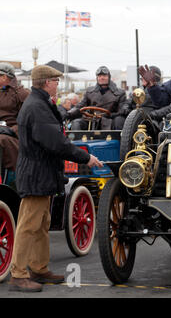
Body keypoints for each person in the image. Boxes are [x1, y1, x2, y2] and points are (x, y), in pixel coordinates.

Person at [9, 65, 103, 292]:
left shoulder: (39, 103)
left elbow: (56, 127)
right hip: (36, 174)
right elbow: (56, 142)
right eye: (56, 81)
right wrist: (85, 157)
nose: (58, 84)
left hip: (41, 173)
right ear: (46, 82)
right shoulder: (37, 106)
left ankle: (39, 269)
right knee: (28, 226)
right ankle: (18, 274)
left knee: (41, 224)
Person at [66, 66, 128, 130]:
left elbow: (122, 109)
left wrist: (111, 115)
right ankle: (76, 139)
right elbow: (80, 105)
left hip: (110, 121)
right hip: (91, 120)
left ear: (109, 77)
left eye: (104, 76)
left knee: (119, 120)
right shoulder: (89, 91)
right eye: (99, 76)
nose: (102, 78)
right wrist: (69, 113)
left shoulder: (120, 93)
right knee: (76, 123)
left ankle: (119, 138)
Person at [0, 62, 30, 172]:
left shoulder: (22, 94)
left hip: (13, 134)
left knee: (1, 140)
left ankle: (14, 177)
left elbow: (28, 120)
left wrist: (11, 130)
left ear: (4, 76)